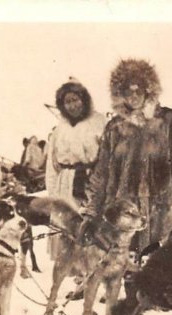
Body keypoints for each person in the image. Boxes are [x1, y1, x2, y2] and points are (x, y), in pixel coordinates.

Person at [80, 58, 172, 253]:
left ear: (149, 91)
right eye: (129, 90)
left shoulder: (169, 121)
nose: (134, 95)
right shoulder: (115, 128)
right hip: (124, 216)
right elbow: (100, 173)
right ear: (121, 94)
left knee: (163, 271)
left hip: (163, 212)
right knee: (129, 271)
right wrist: (91, 211)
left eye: (139, 90)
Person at [45, 78, 107, 260]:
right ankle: (74, 270)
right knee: (69, 229)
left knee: (92, 227)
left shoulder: (99, 121)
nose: (72, 106)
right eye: (67, 102)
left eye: (75, 100)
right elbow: (52, 164)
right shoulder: (60, 129)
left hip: (92, 180)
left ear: (84, 99)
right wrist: (52, 194)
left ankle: (90, 272)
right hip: (66, 183)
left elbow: (108, 156)